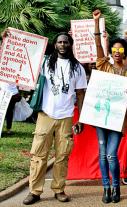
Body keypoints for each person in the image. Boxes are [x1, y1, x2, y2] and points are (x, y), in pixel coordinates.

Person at [22, 32, 87, 205]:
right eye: (59, 42)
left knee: (62, 156)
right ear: (55, 44)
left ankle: (59, 189)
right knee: (38, 155)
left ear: (70, 44)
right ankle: (34, 191)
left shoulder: (77, 67)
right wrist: (6, 37)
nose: (63, 45)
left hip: (66, 117)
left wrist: (80, 118)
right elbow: (23, 56)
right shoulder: (44, 62)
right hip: (45, 115)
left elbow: (80, 94)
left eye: (66, 42)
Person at [93, 9, 127, 204]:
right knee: (102, 155)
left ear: (124, 52)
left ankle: (116, 186)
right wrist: (97, 24)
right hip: (100, 116)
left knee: (110, 155)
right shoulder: (104, 66)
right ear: (111, 52)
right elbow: (98, 46)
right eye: (114, 50)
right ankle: (106, 187)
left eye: (121, 50)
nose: (117, 52)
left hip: (117, 118)